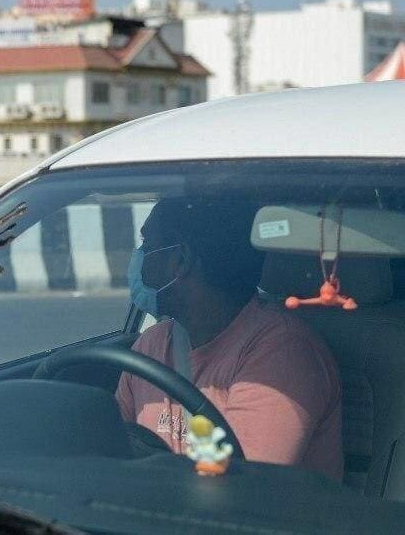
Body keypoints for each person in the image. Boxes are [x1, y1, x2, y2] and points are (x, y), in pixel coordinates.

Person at [116, 198, 343, 480]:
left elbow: (238, 489)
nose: (139, 258)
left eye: (147, 246)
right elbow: (112, 452)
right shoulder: (151, 345)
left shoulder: (283, 354)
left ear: (180, 260)